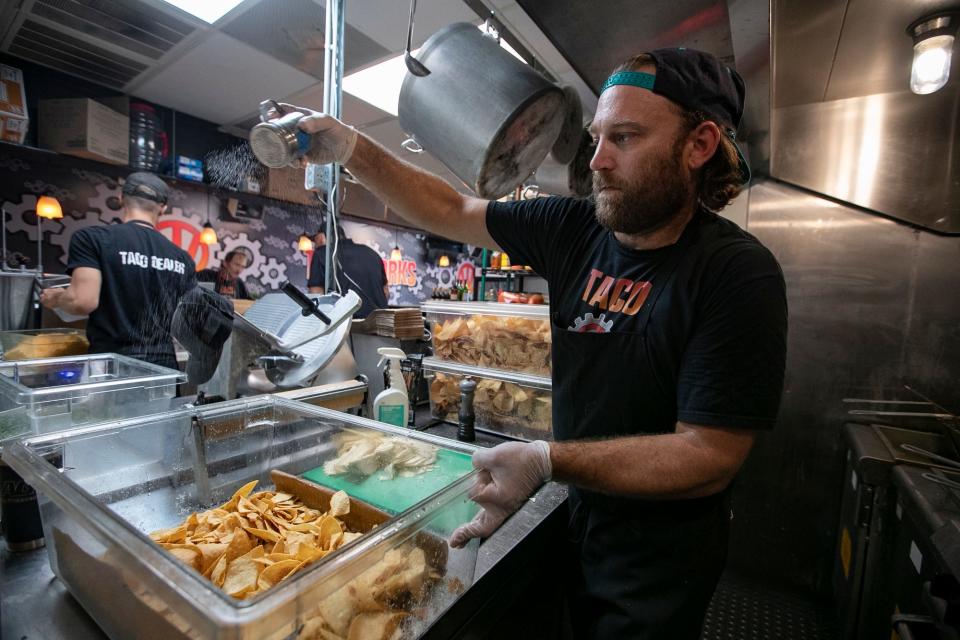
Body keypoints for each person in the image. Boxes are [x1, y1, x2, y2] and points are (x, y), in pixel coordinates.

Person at [280, 47, 787, 639]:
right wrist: (351, 148)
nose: (597, 160)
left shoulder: (736, 273)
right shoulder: (574, 230)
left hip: (658, 562)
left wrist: (548, 459)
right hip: (576, 519)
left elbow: (708, 455)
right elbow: (450, 207)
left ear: (698, 146)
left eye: (623, 137)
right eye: (596, 137)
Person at [40, 172, 197, 370]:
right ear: (163, 207)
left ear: (121, 199)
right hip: (163, 366)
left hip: (111, 363)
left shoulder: (92, 239)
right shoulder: (182, 258)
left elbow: (82, 302)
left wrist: (56, 298)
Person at [307, 224, 388, 319]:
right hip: (382, 322)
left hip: (347, 325)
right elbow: (386, 291)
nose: (315, 245)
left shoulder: (322, 253)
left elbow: (316, 294)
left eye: (315, 240)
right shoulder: (372, 253)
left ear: (321, 237)